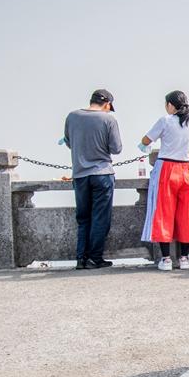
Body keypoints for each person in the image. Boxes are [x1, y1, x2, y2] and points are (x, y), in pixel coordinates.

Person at [139, 90, 189, 270]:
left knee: (163, 212)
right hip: (186, 169)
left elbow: (146, 140)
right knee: (187, 213)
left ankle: (166, 259)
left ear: (170, 105)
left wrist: (145, 145)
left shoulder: (165, 121)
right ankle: (184, 258)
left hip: (166, 168)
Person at [64, 88, 123, 269]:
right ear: (107, 104)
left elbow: (68, 142)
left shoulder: (72, 116)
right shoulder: (108, 119)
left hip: (80, 174)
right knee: (100, 218)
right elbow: (116, 148)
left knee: (83, 218)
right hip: (102, 174)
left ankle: (81, 259)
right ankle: (95, 258)